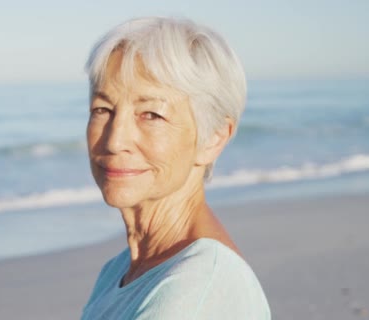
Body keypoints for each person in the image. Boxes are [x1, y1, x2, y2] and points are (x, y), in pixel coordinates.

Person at [81, 17, 270, 319]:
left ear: (213, 138)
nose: (115, 140)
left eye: (151, 115)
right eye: (102, 109)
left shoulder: (198, 289)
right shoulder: (119, 270)